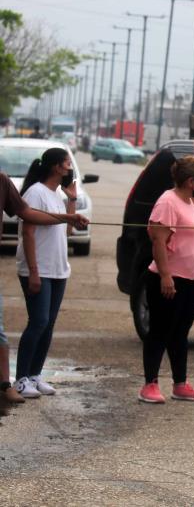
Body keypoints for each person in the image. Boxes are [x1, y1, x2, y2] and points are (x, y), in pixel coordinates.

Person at [0, 171, 87, 404]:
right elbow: (28, 230)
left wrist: (71, 203)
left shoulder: (55, 194)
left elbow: (65, 230)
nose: (70, 169)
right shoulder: (36, 192)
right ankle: (21, 379)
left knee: (47, 324)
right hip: (39, 268)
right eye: (67, 163)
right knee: (38, 321)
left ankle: (33, 376)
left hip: (58, 268)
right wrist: (34, 271)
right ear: (55, 166)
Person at [139, 156, 194, 404]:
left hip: (191, 280)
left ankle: (180, 383)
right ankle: (150, 384)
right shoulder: (167, 202)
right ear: (191, 181)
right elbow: (158, 240)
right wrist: (166, 276)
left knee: (180, 333)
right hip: (169, 279)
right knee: (160, 331)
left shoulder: (188, 200)